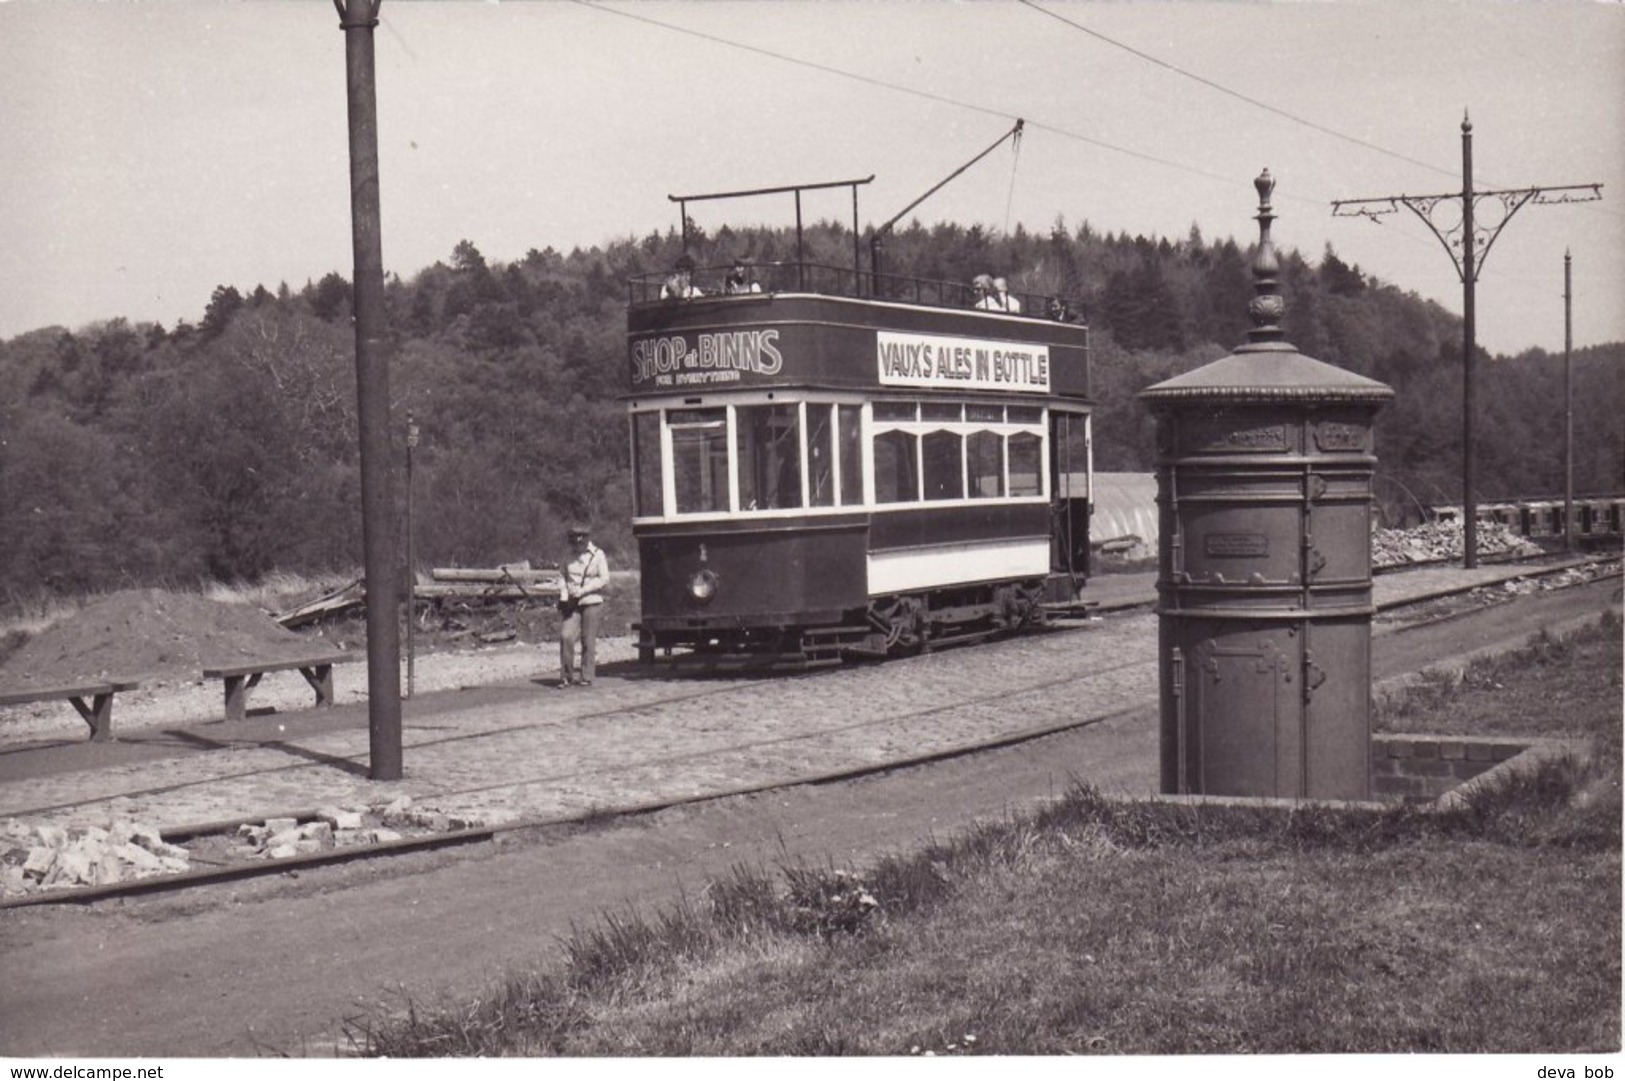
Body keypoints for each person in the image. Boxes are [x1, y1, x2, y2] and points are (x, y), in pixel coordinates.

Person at [556, 524, 609, 688]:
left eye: (582, 536)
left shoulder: (598, 555)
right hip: (572, 603)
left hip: (591, 601)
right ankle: (566, 676)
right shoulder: (567, 556)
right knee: (566, 636)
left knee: (588, 639)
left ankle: (586, 675)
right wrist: (564, 596)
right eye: (575, 536)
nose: (579, 539)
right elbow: (561, 577)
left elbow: (604, 578)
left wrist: (584, 590)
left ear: (588, 537)